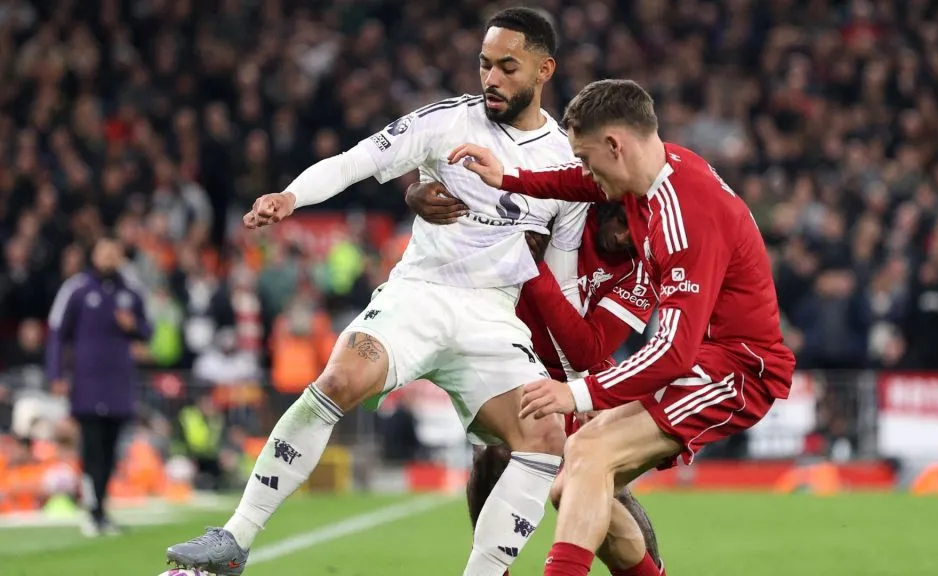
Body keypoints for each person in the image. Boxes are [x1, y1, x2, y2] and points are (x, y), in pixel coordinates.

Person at [168, 9, 591, 576]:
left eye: (507, 67)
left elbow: (561, 286)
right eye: (484, 64)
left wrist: (574, 383)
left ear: (545, 69)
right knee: (341, 376)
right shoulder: (446, 122)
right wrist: (292, 198)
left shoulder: (566, 166)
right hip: (420, 291)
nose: (491, 78)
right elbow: (358, 160)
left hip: (493, 313)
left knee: (544, 431)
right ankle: (234, 539)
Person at [450, 78, 796, 575]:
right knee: (572, 486)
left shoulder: (686, 218)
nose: (587, 173)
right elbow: (574, 180)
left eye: (589, 158)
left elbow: (673, 352)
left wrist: (581, 393)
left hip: (737, 368)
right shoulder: (649, 174)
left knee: (590, 453)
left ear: (616, 145)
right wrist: (507, 178)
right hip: (702, 356)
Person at [407, 182, 665, 576]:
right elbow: (482, 194)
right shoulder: (561, 212)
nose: (627, 237)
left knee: (603, 482)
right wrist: (413, 195)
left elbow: (587, 350)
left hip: (584, 377)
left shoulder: (642, 271)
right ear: (610, 207)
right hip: (520, 362)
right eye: (627, 223)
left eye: (640, 234)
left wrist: (535, 270)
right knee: (492, 455)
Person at [45, 236, 152, 537]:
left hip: (119, 383)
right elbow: (57, 333)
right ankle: (92, 510)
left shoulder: (131, 292)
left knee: (111, 449)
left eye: (113, 252)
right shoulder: (76, 289)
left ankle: (101, 509)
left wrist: (134, 327)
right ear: (93, 255)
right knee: (91, 447)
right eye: (103, 252)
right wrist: (55, 375)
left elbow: (149, 331)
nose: (108, 257)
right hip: (87, 383)